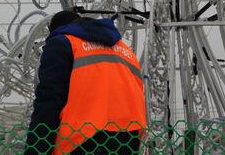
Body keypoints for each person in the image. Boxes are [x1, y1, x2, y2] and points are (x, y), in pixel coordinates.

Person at [25, 10, 146, 155]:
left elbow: (49, 101)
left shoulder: (63, 42)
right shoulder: (124, 49)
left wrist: (36, 150)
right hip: (127, 138)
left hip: (85, 139)